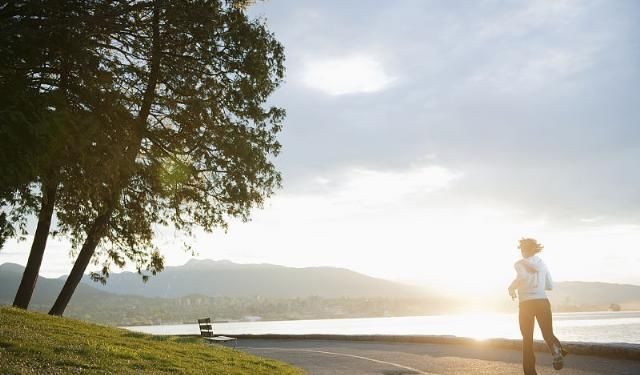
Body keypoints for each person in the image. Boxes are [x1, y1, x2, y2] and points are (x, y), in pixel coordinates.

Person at [508, 238, 567, 374]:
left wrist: (511, 288)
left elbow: (522, 277)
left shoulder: (519, 264)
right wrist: (538, 284)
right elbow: (550, 285)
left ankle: (530, 372)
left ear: (525, 250)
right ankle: (557, 351)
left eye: (522, 249)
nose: (521, 252)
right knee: (548, 333)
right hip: (542, 301)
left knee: (527, 339)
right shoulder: (542, 264)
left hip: (526, 304)